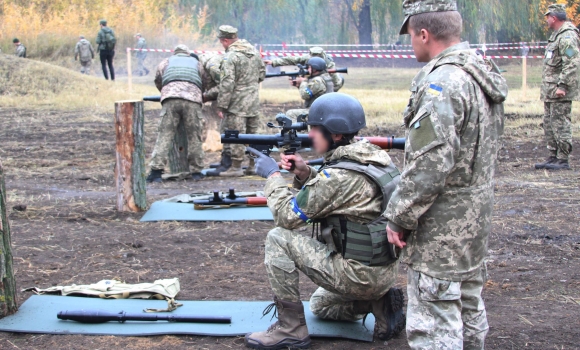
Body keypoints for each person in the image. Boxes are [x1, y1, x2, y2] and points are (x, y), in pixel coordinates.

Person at [384, 1, 508, 349]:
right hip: (473, 218)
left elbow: (429, 166)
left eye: (410, 35)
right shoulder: (479, 71)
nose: (410, 43)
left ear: (424, 34)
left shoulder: (442, 84)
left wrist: (399, 216)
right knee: (468, 306)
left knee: (436, 322)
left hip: (441, 229)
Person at [244, 93, 406, 350]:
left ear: (336, 135)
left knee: (278, 238)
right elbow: (342, 194)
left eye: (315, 130)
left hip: (359, 275)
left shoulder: (338, 176)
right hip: (381, 272)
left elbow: (287, 217)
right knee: (320, 305)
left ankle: (290, 329)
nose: (310, 136)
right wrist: (305, 173)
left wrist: (272, 175)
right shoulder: (374, 160)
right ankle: (379, 304)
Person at [146, 44, 211, 183]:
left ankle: (156, 171)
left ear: (174, 53)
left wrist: (166, 92)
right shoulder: (197, 63)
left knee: (164, 135)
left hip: (170, 99)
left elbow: (158, 80)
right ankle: (197, 171)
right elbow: (205, 81)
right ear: (188, 53)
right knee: (194, 136)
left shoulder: (166, 62)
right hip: (192, 100)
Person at [216, 25, 266, 177]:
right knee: (253, 134)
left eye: (221, 42)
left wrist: (222, 105)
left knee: (236, 134)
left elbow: (227, 82)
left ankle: (236, 166)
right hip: (253, 101)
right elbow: (262, 75)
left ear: (225, 40)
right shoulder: (254, 53)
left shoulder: (231, 57)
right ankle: (253, 165)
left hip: (237, 103)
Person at [535, 3, 579, 170]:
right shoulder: (556, 36)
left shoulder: (567, 37)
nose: (546, 21)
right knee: (549, 123)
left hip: (559, 91)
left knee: (560, 123)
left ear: (553, 18)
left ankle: (563, 159)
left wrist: (563, 85)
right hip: (550, 91)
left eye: (547, 18)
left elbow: (572, 63)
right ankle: (553, 157)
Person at [264, 46, 344, 91]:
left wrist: (323, 91)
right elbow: (292, 60)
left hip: (327, 85)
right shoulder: (307, 58)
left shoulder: (329, 63)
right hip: (314, 82)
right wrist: (274, 62)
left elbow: (337, 84)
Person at [285, 56, 334, 121]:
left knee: (290, 114)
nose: (307, 69)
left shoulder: (318, 81)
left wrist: (303, 82)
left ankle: (298, 131)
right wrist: (298, 85)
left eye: (309, 67)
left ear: (315, 68)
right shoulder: (325, 77)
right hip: (323, 110)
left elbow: (305, 95)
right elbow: (312, 93)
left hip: (319, 112)